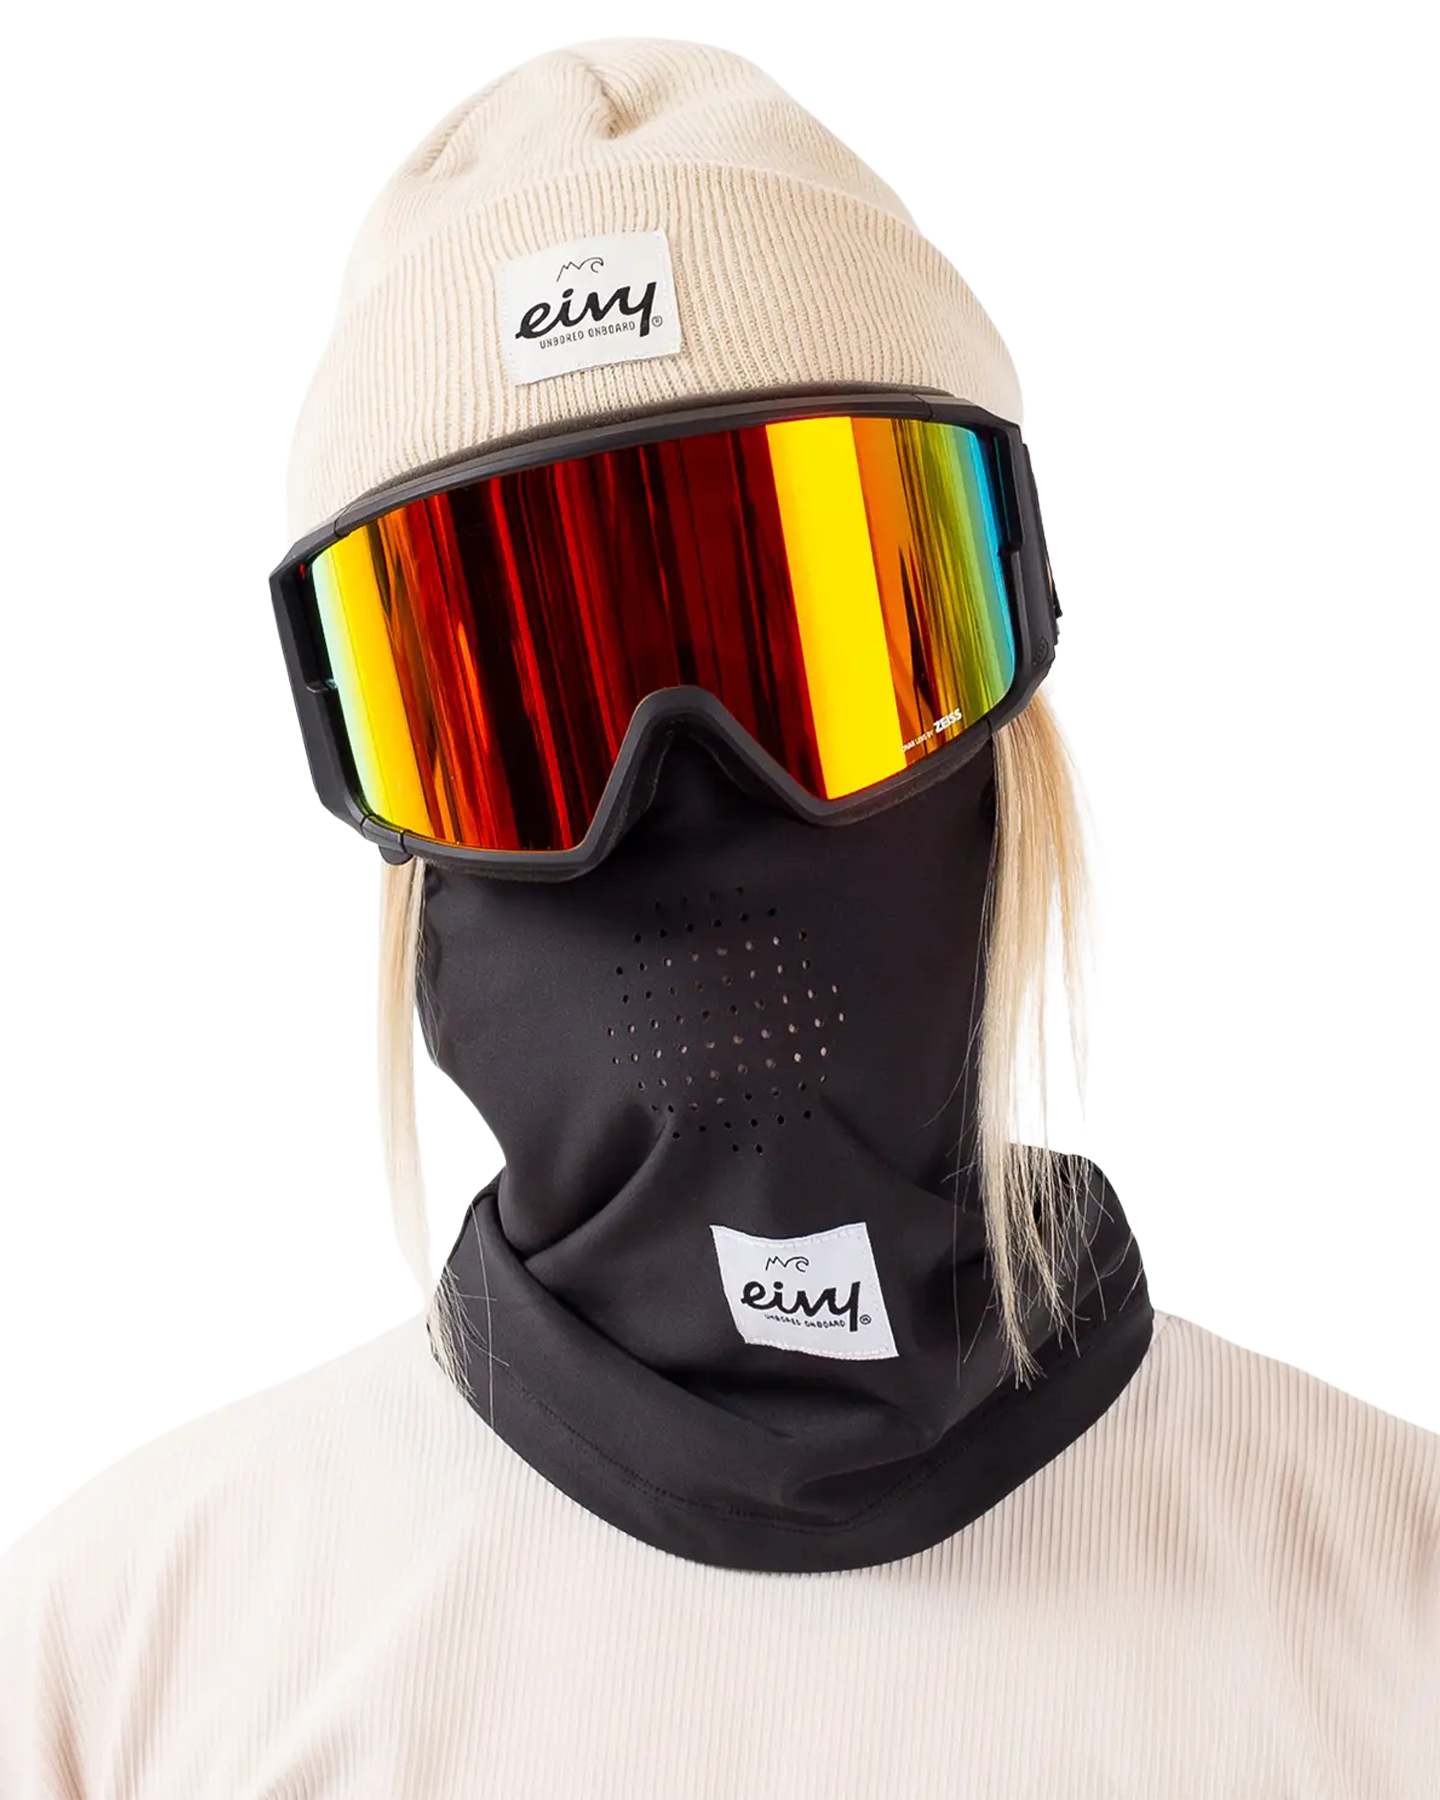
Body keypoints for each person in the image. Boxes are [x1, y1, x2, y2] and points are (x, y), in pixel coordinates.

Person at [1, 37, 1435, 1797]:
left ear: (1012, 703)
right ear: (390, 818)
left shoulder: (1401, 1615)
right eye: (541, 705)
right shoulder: (140, 1668)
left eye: (807, 650)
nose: (683, 783)